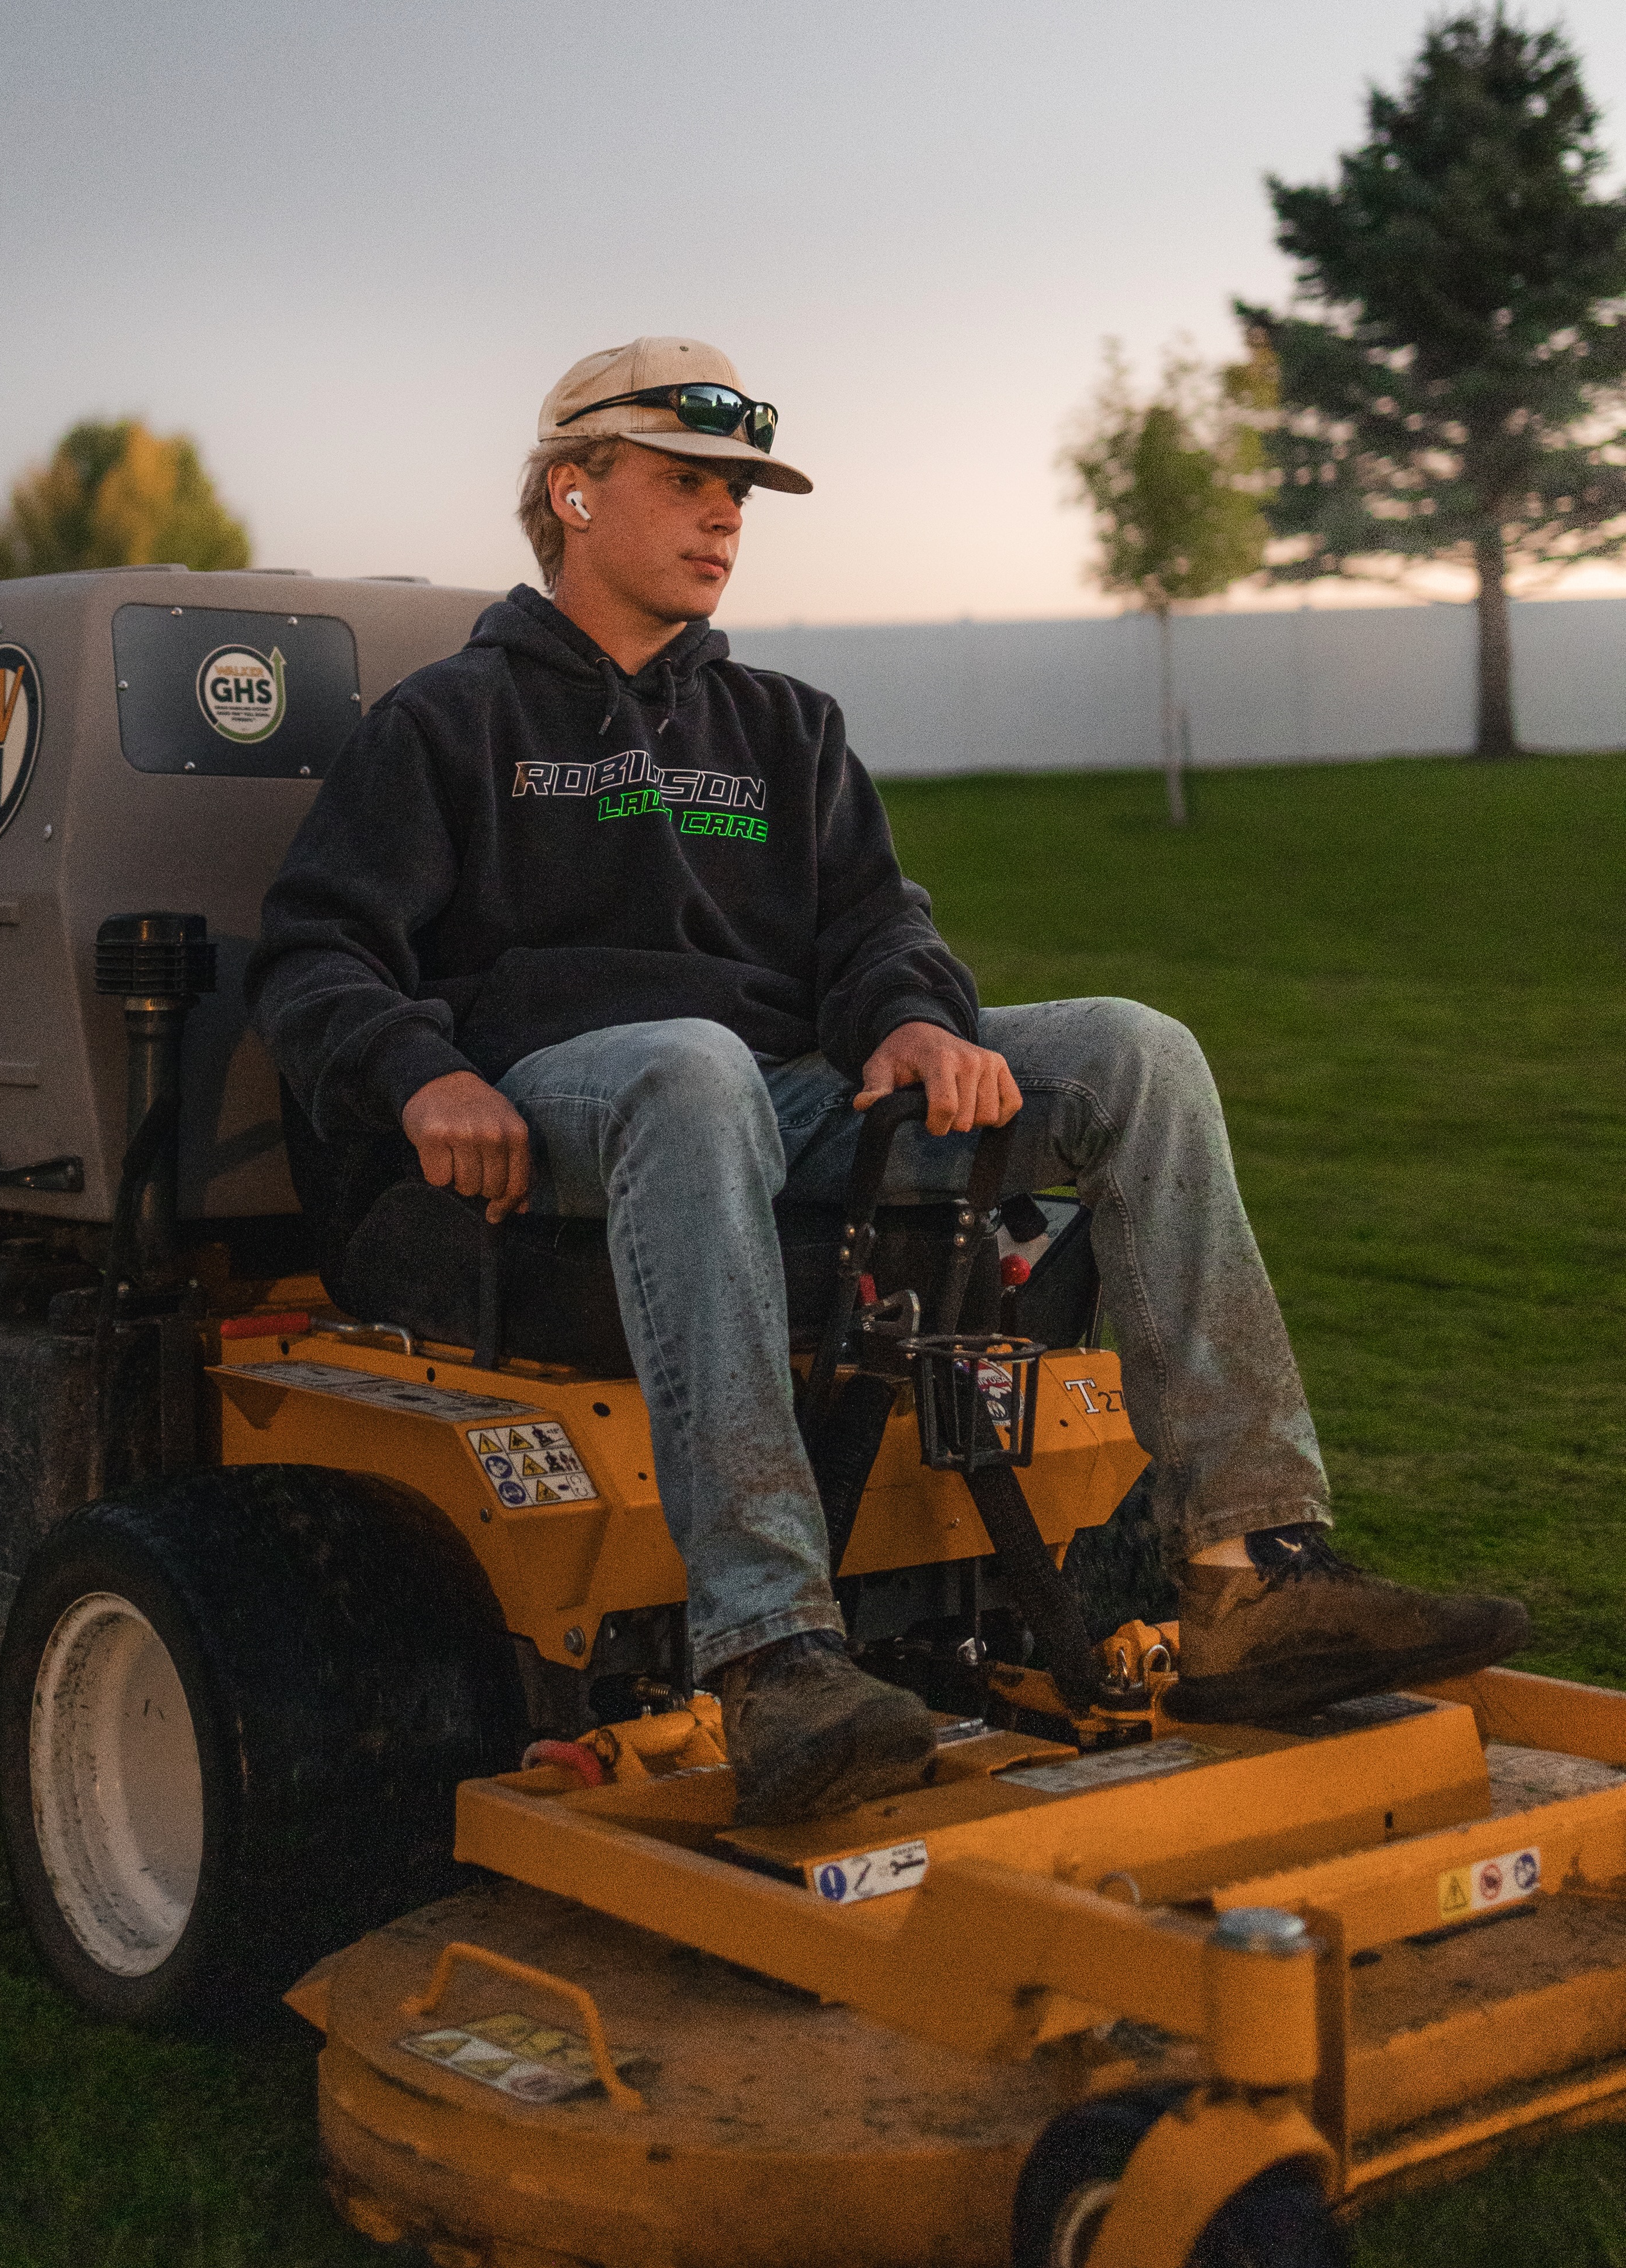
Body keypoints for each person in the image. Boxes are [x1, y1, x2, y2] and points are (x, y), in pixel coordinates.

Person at [246, 336, 1527, 1824]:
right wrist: (418, 1075)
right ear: (572, 495)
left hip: (775, 1098)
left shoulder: (786, 727)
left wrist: (916, 1021)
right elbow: (316, 953)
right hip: (567, 1102)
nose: (726, 518)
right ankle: (777, 1650)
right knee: (693, 1065)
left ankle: (1251, 1571)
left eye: (740, 493)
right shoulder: (447, 725)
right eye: (687, 483)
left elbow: (876, 930)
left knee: (1136, 1048)